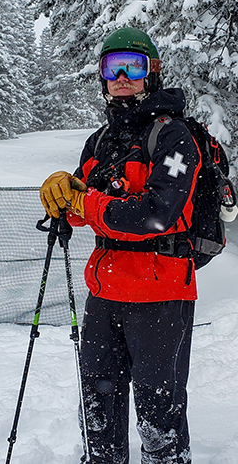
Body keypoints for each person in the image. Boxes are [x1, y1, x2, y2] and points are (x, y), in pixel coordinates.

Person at [40, 27, 201, 464]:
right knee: (98, 398)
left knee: (157, 406)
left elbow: (157, 213)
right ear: (103, 76)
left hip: (161, 293)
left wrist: (84, 201)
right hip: (106, 293)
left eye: (134, 66)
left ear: (152, 72)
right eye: (114, 67)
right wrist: (63, 197)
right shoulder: (101, 141)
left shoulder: (174, 139)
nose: (123, 76)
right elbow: (84, 206)